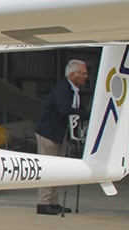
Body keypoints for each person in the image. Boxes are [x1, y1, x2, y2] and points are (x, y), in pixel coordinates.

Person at [34, 59, 89, 215]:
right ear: (73, 74)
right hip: (49, 133)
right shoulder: (62, 89)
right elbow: (64, 109)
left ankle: (53, 201)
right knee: (48, 168)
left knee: (57, 169)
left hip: (61, 134)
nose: (86, 76)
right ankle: (44, 202)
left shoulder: (75, 91)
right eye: (83, 73)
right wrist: (85, 114)